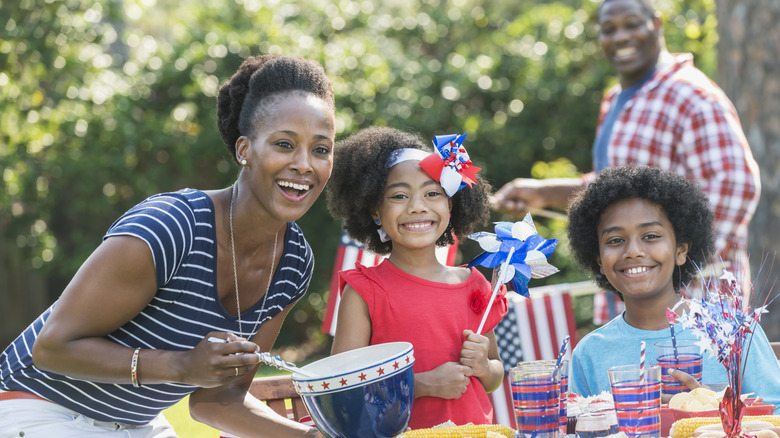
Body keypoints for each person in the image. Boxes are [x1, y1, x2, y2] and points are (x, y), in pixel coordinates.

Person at [0, 54, 335, 437]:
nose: (304, 164)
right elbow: (53, 348)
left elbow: (217, 401)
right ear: (244, 150)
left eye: (321, 150)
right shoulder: (173, 226)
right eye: (284, 144)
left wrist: (312, 436)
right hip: (35, 405)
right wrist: (183, 366)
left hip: (137, 424)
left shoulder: (293, 263)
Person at [491, 0, 760, 277]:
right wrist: (542, 193)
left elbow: (737, 185)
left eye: (631, 24)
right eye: (609, 29)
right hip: (633, 298)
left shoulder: (691, 95)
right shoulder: (614, 99)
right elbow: (614, 188)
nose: (620, 37)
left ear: (656, 24)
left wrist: (675, 264)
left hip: (693, 304)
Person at [326, 127, 507, 429]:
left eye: (432, 193)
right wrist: (421, 385)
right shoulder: (364, 291)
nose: (417, 206)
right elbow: (342, 387)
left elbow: (495, 376)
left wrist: (484, 367)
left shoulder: (474, 285)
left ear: (450, 204)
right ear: (375, 212)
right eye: (399, 195)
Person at [566, 165, 780, 412]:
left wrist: (718, 413)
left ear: (681, 250)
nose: (633, 251)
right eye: (615, 240)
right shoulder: (591, 352)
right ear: (599, 261)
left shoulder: (733, 332)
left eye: (651, 236)